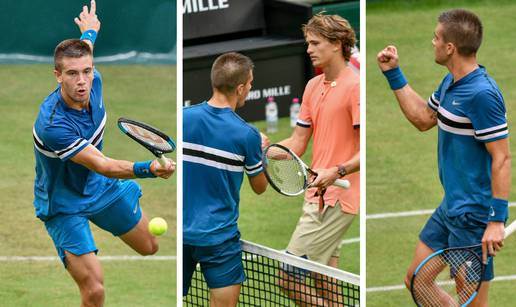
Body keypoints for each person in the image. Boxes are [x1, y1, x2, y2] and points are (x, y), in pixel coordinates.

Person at [32, 1, 175, 306]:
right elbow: (103, 165)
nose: (81, 81)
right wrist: (149, 168)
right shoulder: (52, 125)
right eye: (72, 74)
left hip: (100, 190)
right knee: (94, 290)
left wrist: (89, 32)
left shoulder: (94, 80)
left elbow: (84, 50)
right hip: (64, 204)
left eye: (86, 71)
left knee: (150, 246)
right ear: (57, 75)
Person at [377, 9, 510, 306]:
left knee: (472, 302)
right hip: (451, 206)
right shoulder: (450, 82)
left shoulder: (482, 94)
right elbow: (424, 119)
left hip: (475, 216)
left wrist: (496, 220)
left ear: (450, 47)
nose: (432, 42)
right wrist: (393, 73)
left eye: (436, 38)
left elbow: (502, 158)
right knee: (416, 281)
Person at [273, 13, 360, 305]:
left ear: (336, 44)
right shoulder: (313, 86)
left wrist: (336, 172)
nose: (308, 49)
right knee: (324, 279)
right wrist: (259, 150)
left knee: (288, 276)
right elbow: (297, 143)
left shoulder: (356, 87)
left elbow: (366, 150)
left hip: (337, 197)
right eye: (308, 43)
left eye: (315, 43)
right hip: (317, 194)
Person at [182, 52, 268, 307]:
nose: (250, 88)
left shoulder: (183, 117)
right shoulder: (247, 135)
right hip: (219, 239)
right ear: (240, 88)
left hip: (183, 236)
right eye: (250, 83)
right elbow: (260, 187)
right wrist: (260, 153)